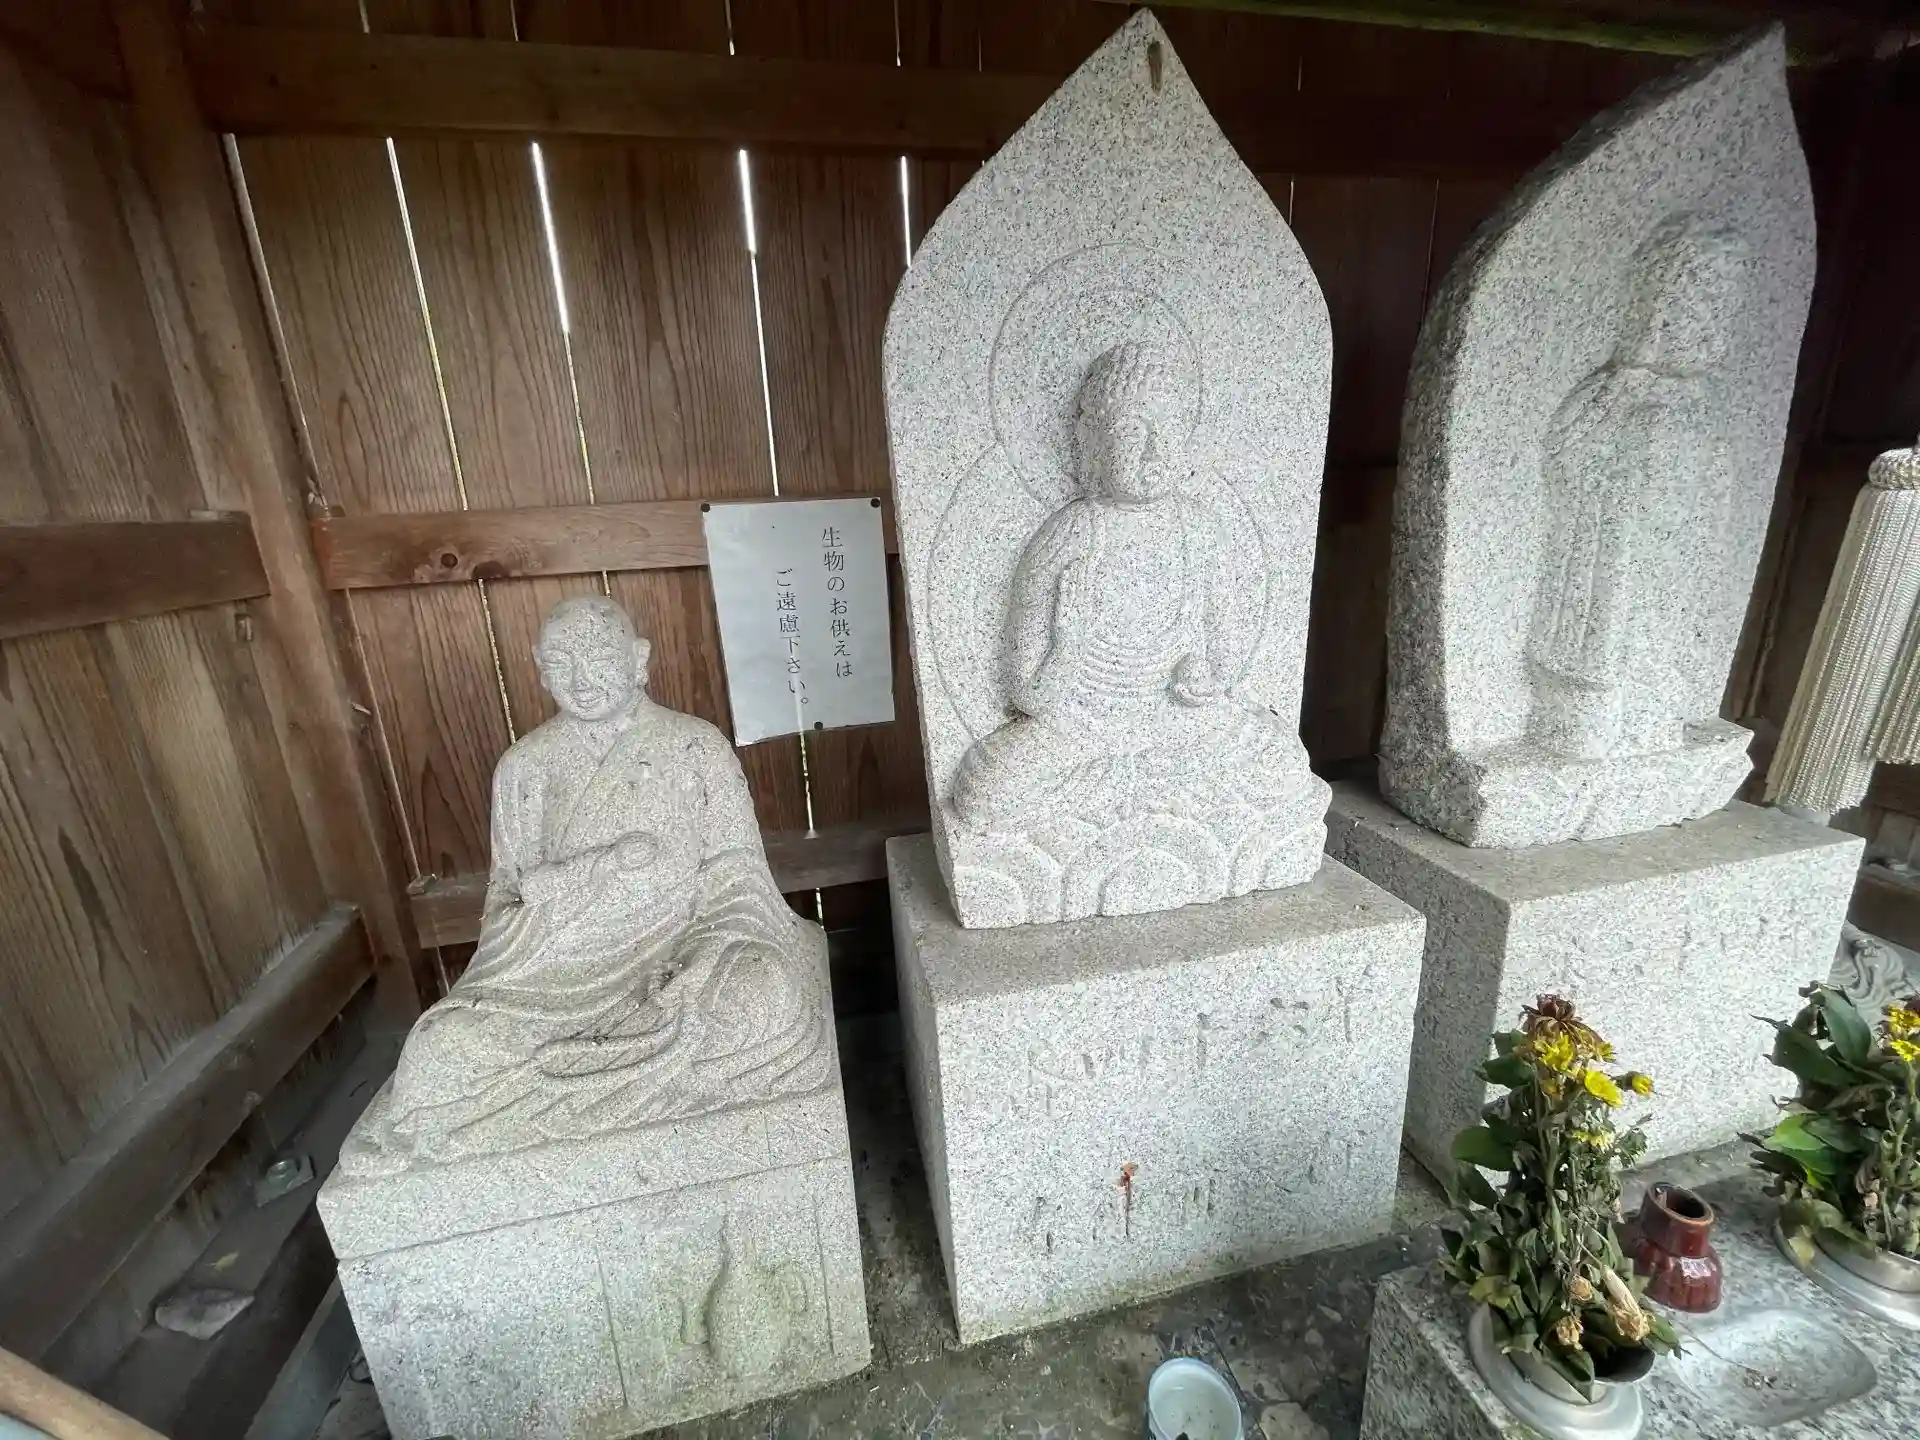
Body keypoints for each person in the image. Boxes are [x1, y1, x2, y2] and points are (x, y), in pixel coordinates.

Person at [341, 597, 826, 1174]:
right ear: (541, 670)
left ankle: (560, 1085)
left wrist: (699, 954)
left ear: (639, 659)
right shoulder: (524, 767)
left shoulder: (696, 746)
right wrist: (586, 885)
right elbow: (508, 905)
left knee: (765, 993)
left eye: (598, 658)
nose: (581, 680)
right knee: (440, 1052)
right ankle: (611, 1072)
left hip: (686, 952)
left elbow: (737, 876)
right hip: (560, 974)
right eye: (561, 663)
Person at [950, 341, 1305, 834]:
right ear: (1092, 442)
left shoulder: (1201, 532)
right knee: (985, 789)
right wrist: (1067, 649)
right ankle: (1158, 800)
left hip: (1176, 725)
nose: (1154, 450)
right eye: (1132, 431)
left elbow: (1224, 657)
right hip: (1080, 726)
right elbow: (1026, 694)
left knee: (1283, 763)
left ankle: (1119, 802)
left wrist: (1205, 678)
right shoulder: (1070, 535)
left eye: (1169, 430)